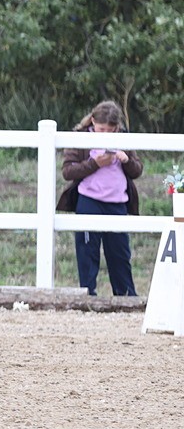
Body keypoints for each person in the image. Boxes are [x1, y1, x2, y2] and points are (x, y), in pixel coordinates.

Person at [55, 100, 142, 296]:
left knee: (119, 254)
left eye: (110, 131)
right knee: (87, 252)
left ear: (117, 128)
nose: (105, 135)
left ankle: (126, 296)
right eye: (101, 129)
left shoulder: (124, 139)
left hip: (118, 203)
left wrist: (126, 160)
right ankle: (87, 295)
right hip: (89, 200)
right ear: (93, 121)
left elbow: (137, 170)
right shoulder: (79, 138)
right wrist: (95, 163)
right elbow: (68, 171)